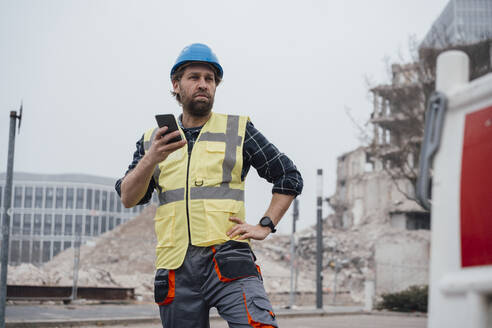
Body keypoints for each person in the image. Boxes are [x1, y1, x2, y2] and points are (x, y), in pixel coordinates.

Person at [115, 43, 303, 328]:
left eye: (210, 79)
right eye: (194, 77)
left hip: (230, 258)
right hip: (176, 265)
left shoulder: (238, 130)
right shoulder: (152, 140)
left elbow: (288, 176)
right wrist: (152, 157)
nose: (203, 84)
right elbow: (128, 197)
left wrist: (265, 224)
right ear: (176, 85)